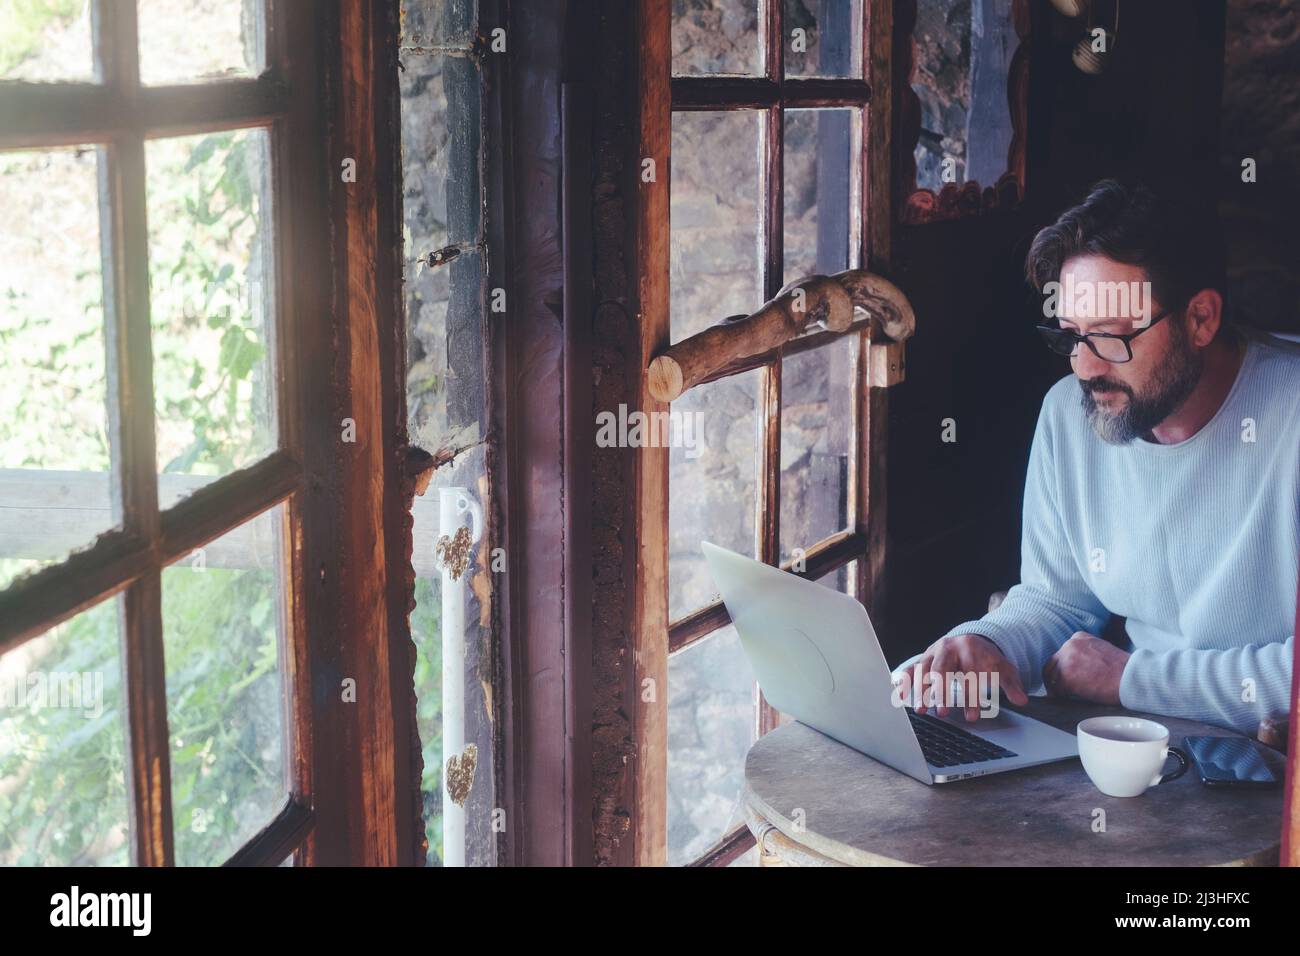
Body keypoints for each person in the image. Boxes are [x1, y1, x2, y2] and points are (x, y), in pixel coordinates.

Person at [897, 179, 1300, 736]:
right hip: (1144, 749)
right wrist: (985, 643)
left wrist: (1132, 679)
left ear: (1201, 319)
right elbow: (1057, 600)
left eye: (1111, 337)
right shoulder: (1070, 415)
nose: (1083, 369)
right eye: (1071, 337)